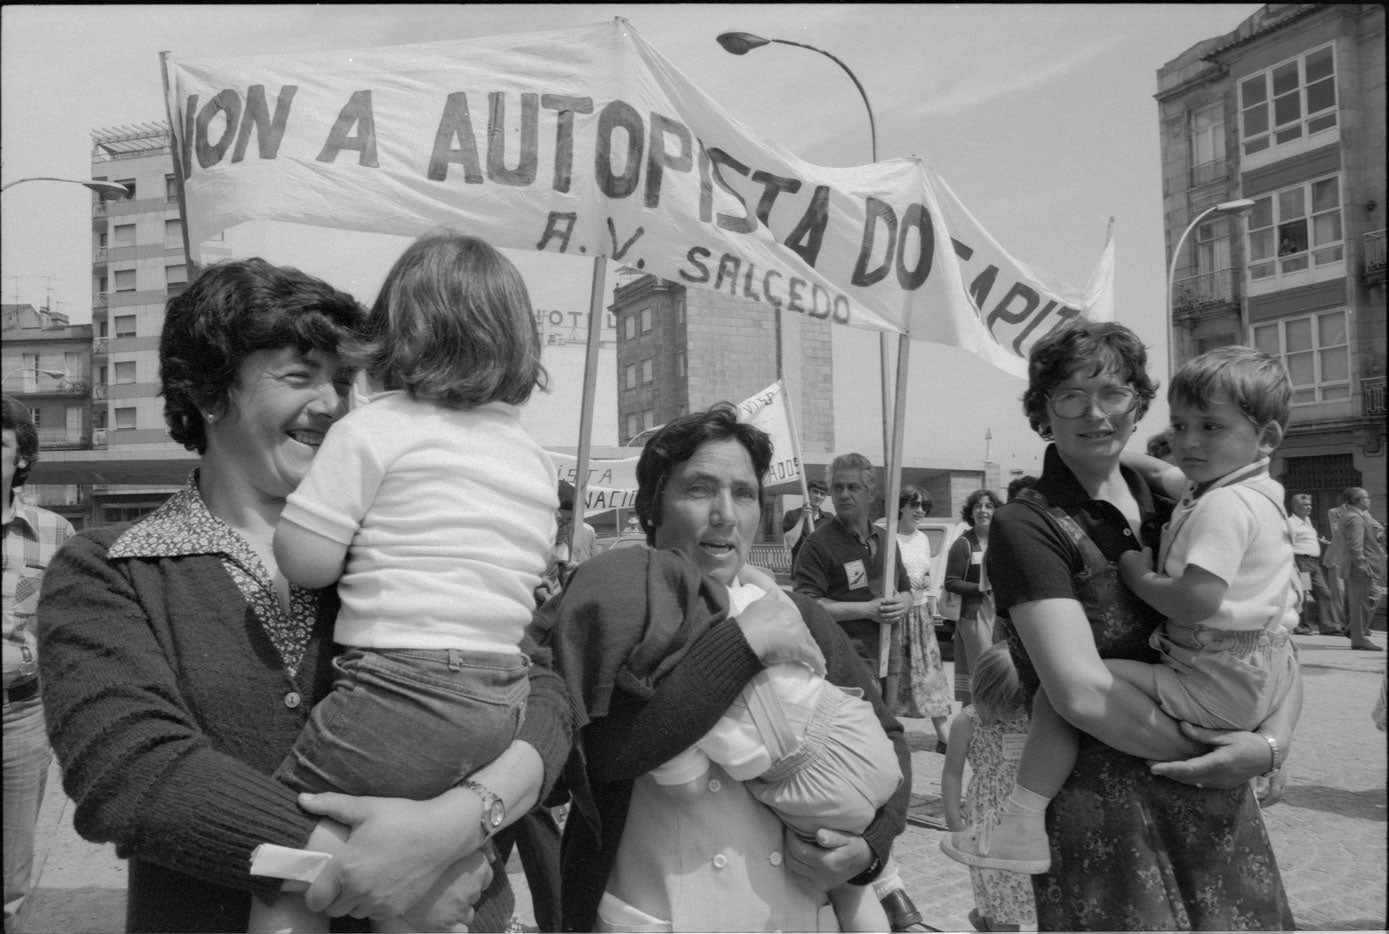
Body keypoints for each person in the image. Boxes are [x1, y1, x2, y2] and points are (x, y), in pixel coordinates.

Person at [36, 258, 573, 933]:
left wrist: (462, 820)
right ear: (208, 394)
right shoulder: (113, 567)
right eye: (299, 376)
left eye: (345, 380)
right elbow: (129, 772)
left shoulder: (407, 540)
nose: (333, 404)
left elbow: (544, 697)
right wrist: (381, 873)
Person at [940, 320, 1296, 929]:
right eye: (1071, 396)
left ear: (1139, 402)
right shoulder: (1028, 525)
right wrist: (1219, 756)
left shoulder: (1188, 500)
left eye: (1113, 393)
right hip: (1109, 818)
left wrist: (1268, 747)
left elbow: (1272, 629)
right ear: (1043, 411)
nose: (1095, 413)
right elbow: (1079, 691)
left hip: (1215, 805)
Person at [254, 233, 557, 931]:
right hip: (502, 699)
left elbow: (305, 561)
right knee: (419, 878)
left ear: (395, 331)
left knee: (284, 852)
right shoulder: (533, 458)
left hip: (399, 690)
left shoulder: (373, 429)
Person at [535, 404, 919, 932]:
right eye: (699, 490)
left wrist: (868, 848)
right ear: (653, 506)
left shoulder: (794, 615)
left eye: (743, 493)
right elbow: (591, 761)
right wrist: (743, 646)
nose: (725, 514)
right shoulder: (609, 606)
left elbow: (889, 737)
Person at [3, 397, 75, 933]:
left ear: (21, 459)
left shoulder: (54, 533)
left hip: (20, 718)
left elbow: (69, 629)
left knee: (10, 878)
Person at [795, 453, 911, 715]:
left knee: (888, 719)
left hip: (888, 649)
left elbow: (906, 589)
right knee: (861, 721)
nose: (844, 494)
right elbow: (806, 605)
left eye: (853, 487)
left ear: (870, 493)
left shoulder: (887, 540)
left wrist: (903, 604)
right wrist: (866, 610)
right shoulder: (818, 544)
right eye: (838, 488)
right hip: (847, 654)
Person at [940, 645, 1035, 934]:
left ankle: (986, 917)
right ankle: (997, 921)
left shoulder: (1030, 716)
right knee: (1001, 887)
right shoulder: (967, 722)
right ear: (986, 693)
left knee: (1024, 884)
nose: (1012, 713)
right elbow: (952, 773)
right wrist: (954, 820)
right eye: (1007, 705)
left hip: (1024, 812)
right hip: (987, 818)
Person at [893, 486, 952, 750]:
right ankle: (887, 733)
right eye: (914, 505)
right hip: (897, 615)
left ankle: (944, 736)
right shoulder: (888, 539)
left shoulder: (923, 539)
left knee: (930, 674)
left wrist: (926, 582)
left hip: (921, 616)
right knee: (894, 676)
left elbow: (925, 572)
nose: (920, 511)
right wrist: (902, 586)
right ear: (901, 506)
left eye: (924, 507)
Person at [945, 489, 1003, 707]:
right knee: (983, 669)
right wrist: (982, 588)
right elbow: (951, 582)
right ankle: (976, 718)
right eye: (978, 506)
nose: (983, 511)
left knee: (1001, 668)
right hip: (974, 616)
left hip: (1000, 613)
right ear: (971, 512)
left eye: (989, 506)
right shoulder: (964, 544)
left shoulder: (1001, 541)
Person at [1341, 487, 1386, 652]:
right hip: (1361, 569)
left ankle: (1355, 632)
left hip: (1362, 568)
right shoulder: (1354, 518)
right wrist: (1363, 567)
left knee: (1369, 599)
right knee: (1361, 604)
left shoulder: (1357, 515)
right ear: (1358, 500)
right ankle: (1359, 639)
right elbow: (1356, 547)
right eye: (1366, 497)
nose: (1369, 500)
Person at [1289, 492, 1340, 634]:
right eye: (1305, 505)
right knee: (1303, 595)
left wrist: (1319, 541)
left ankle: (1330, 627)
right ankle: (1300, 626)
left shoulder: (1307, 521)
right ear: (1296, 507)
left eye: (1309, 504)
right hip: (1302, 563)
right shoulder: (1291, 523)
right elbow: (1289, 545)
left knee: (1324, 593)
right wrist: (1294, 566)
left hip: (1314, 564)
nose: (1309, 507)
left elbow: (1305, 538)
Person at [783, 477, 833, 565]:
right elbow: (790, 543)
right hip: (801, 568)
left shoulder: (829, 518)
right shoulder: (792, 515)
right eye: (815, 492)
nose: (818, 496)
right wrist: (802, 517)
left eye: (822, 494)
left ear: (825, 497)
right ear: (808, 492)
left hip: (821, 568)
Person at [1322, 494, 1352, 635]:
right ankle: (1342, 624)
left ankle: (1354, 623)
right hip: (1337, 558)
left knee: (1352, 592)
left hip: (1353, 557)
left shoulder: (1362, 513)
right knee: (1339, 591)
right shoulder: (1334, 512)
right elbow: (1336, 532)